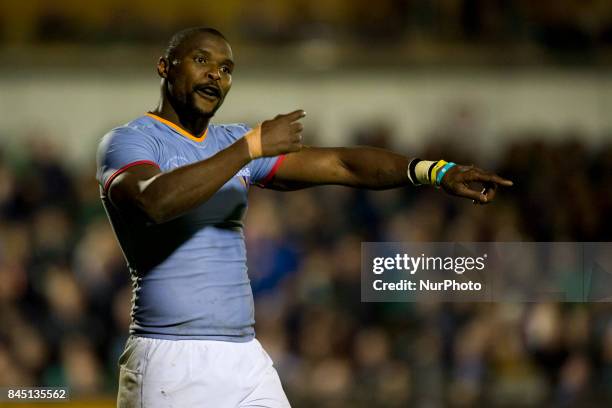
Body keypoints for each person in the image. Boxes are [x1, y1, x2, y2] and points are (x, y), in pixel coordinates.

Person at [96, 27, 512, 408]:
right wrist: (249, 149)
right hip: (170, 358)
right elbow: (154, 201)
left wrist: (434, 171)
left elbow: (341, 165)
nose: (215, 76)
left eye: (225, 69)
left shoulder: (229, 142)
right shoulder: (131, 141)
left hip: (244, 356)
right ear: (164, 66)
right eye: (201, 61)